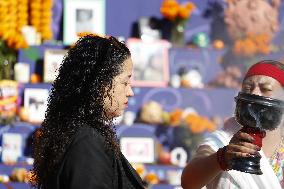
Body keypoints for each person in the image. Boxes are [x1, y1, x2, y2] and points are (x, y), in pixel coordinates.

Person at [32, 35, 145, 189]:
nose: (130, 92)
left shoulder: (76, 132)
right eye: (125, 82)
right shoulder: (87, 142)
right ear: (100, 83)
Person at [181, 60, 284, 189]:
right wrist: (222, 158)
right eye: (247, 88)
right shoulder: (222, 140)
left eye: (265, 89)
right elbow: (189, 183)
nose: (254, 93)